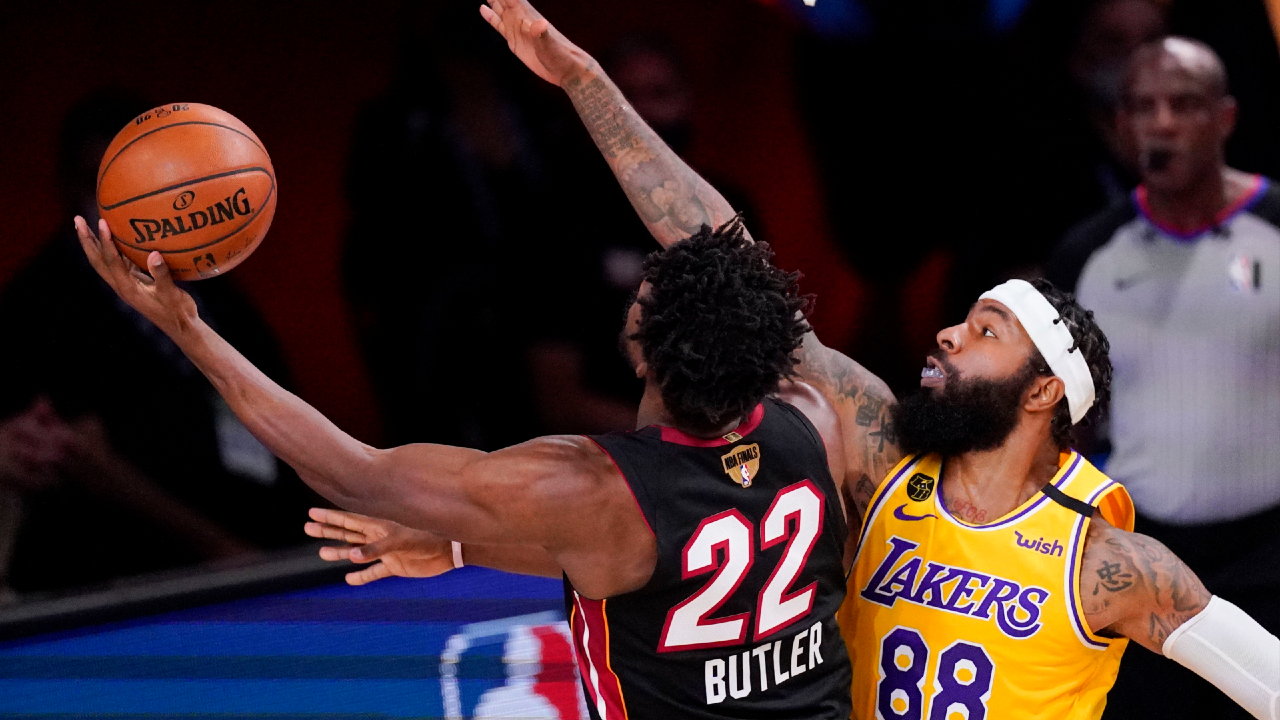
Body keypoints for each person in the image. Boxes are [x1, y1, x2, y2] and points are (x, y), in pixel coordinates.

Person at [298, 4, 1280, 719]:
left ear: (1038, 394)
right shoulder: (881, 457)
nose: (942, 334)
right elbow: (720, 245)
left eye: (982, 332)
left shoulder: (1108, 562)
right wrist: (584, 85)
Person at [74, 3, 862, 713]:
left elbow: (351, 472)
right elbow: (644, 555)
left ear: (642, 351)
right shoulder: (813, 425)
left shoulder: (589, 485)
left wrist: (187, 328)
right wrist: (458, 547)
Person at [0, 92, 317, 596]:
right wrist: (229, 554)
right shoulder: (39, 306)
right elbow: (91, 465)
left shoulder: (207, 282)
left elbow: (282, 411)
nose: (119, 211)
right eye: (97, 188)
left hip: (275, 560)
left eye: (138, 187)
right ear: (67, 185)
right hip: (149, 588)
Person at [1046, 37, 1280, 719]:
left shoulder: (1276, 226)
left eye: (1184, 104)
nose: (1164, 122)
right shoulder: (1085, 254)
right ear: (1121, 127)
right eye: (1144, 107)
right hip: (1145, 555)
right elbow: (1057, 415)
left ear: (1226, 117)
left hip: (1274, 553)